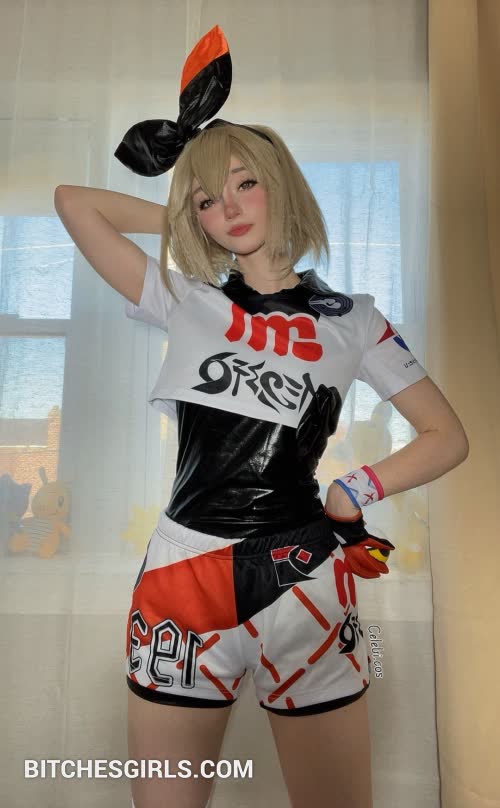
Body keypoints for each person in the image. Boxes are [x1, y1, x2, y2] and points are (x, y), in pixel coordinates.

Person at [54, 25, 469, 808]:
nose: (230, 208)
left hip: (305, 573)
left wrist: (355, 490)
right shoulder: (186, 300)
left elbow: (448, 436)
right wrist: (183, 215)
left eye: (245, 183)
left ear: (280, 183)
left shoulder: (355, 319)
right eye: (209, 200)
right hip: (183, 572)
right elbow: (74, 203)